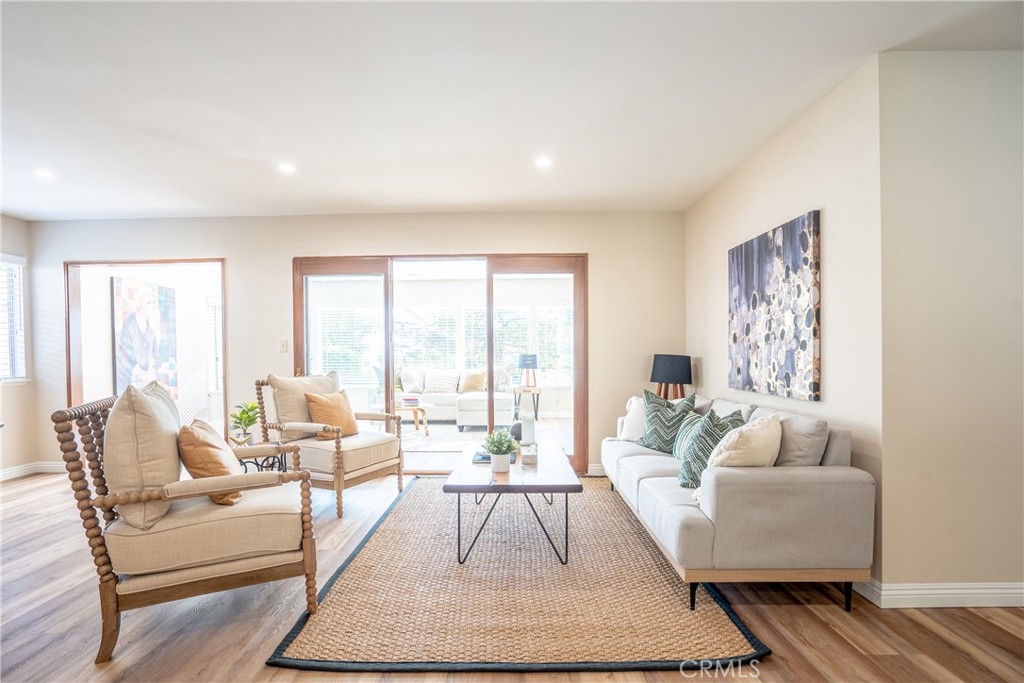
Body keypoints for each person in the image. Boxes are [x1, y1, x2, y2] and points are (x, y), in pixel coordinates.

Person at [115, 286, 160, 393]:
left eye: (153, 303)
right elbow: (138, 360)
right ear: (139, 305)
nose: (152, 306)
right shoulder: (130, 325)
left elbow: (156, 357)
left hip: (144, 380)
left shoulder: (151, 326)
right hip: (126, 380)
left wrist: (152, 367)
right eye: (148, 303)